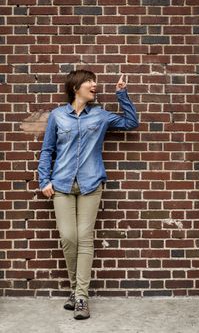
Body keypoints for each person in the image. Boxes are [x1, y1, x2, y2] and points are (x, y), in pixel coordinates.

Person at [37, 69, 139, 320]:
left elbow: (131, 122)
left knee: (84, 236)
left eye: (95, 82)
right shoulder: (58, 116)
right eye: (90, 82)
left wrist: (121, 94)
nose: (95, 85)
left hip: (91, 184)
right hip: (61, 184)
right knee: (69, 238)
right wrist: (43, 180)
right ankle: (76, 290)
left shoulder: (101, 116)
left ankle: (81, 297)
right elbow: (47, 149)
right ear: (76, 87)